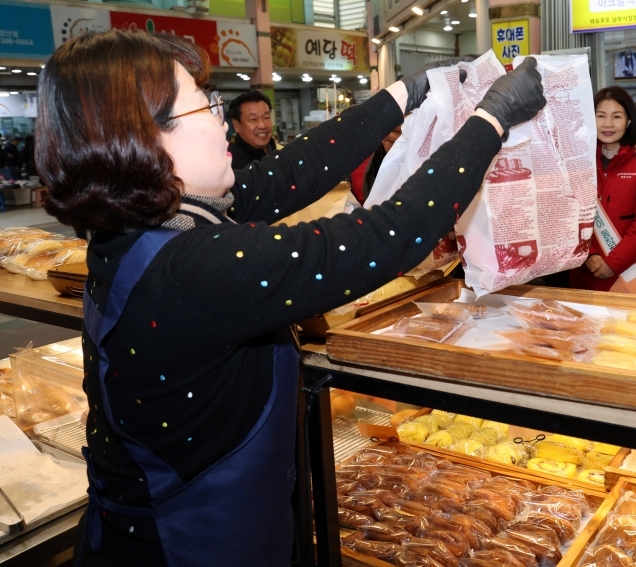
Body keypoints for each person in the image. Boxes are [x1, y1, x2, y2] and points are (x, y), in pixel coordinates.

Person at [35, 29, 545, 565]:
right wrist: (491, 120)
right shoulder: (194, 267)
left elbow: (287, 173)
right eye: (205, 107)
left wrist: (406, 93)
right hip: (184, 548)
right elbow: (382, 237)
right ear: (147, 140)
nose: (220, 121)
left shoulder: (145, 226)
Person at [569, 86, 636, 291]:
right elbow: (567, 214)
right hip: (585, 271)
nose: (608, 124)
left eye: (617, 116)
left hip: (632, 273)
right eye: (600, 116)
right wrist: (589, 254)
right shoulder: (578, 161)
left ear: (629, 120)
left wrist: (613, 263)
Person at [228, 90, 277, 169]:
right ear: (236, 125)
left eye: (266, 117)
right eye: (253, 119)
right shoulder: (229, 164)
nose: (262, 125)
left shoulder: (283, 153)